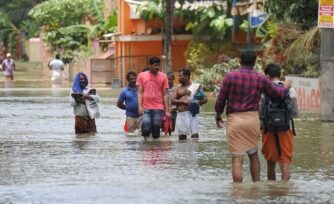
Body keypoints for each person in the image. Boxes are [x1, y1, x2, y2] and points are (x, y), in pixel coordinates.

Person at [214, 50, 291, 183]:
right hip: (252, 120)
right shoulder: (260, 78)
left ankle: (237, 192)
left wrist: (218, 115)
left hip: (235, 120)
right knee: (253, 155)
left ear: (240, 61)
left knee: (237, 159)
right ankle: (256, 186)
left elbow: (220, 100)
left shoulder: (230, 77)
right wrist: (286, 87)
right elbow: (276, 93)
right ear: (255, 62)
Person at [260, 64, 299, 181]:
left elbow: (260, 112)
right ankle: (284, 192)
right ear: (280, 75)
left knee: (270, 163)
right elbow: (295, 113)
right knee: (285, 162)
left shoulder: (264, 90)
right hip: (285, 128)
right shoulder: (290, 89)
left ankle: (272, 193)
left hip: (268, 129)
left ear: (267, 76)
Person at [136, 56, 170, 139]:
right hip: (145, 107)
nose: (157, 67)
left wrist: (167, 110)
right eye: (155, 65)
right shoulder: (141, 75)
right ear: (150, 65)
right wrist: (140, 106)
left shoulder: (163, 76)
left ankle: (155, 147)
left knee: (156, 128)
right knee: (146, 126)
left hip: (158, 107)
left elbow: (165, 94)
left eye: (158, 65)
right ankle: (145, 146)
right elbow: (140, 92)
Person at [172, 68, 207, 140]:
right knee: (182, 138)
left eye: (180, 76)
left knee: (194, 136)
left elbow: (205, 99)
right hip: (181, 114)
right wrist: (183, 102)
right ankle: (183, 151)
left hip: (192, 114)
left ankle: (194, 151)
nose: (178, 78)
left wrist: (196, 102)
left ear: (187, 76)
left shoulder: (197, 86)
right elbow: (172, 100)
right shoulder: (177, 88)